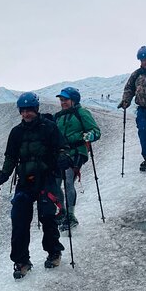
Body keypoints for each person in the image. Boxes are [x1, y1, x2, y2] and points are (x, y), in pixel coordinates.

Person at [0, 92, 70, 279]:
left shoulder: (49, 128)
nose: (26, 114)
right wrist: (4, 174)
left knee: (47, 215)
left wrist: (63, 156)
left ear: (36, 109)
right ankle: (21, 261)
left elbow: (62, 147)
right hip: (25, 181)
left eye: (30, 110)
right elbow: (11, 157)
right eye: (23, 110)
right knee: (19, 219)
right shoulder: (16, 132)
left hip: (46, 178)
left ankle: (54, 252)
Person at [54, 87, 101, 231]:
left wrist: (86, 137)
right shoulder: (59, 116)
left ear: (74, 100)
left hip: (77, 151)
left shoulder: (82, 113)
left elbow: (95, 131)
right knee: (55, 183)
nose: (63, 102)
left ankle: (70, 215)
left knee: (68, 181)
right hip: (61, 153)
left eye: (65, 100)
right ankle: (62, 211)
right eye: (62, 100)